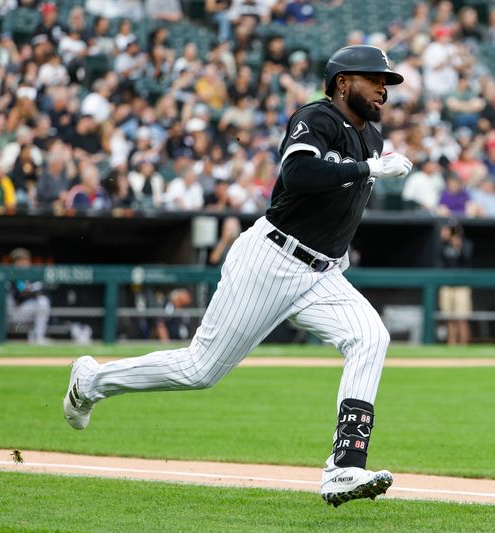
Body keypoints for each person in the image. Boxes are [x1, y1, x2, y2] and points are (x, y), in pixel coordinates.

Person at [62, 45, 411, 507]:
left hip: (322, 272)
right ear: (343, 82)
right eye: (374, 79)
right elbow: (298, 173)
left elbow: (337, 208)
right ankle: (90, 382)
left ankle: (345, 466)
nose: (383, 89)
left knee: (371, 337)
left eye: (387, 82)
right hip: (272, 260)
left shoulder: (371, 138)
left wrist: (341, 243)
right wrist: (367, 169)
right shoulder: (319, 117)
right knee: (199, 370)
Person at [438, 222, 473, 346]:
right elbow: (443, 262)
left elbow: (467, 259)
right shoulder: (443, 245)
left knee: (461, 318)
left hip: (461, 286)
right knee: (449, 318)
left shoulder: (466, 244)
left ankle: (463, 345)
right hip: (448, 285)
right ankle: (451, 344)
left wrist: (459, 247)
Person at [6, 248, 51, 344]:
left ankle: (38, 337)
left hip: (25, 311)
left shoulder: (32, 275)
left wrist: (32, 292)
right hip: (11, 313)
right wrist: (33, 292)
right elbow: (21, 294)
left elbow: (43, 289)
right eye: (20, 260)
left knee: (43, 302)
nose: (24, 263)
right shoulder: (11, 273)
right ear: (15, 262)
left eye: (26, 260)